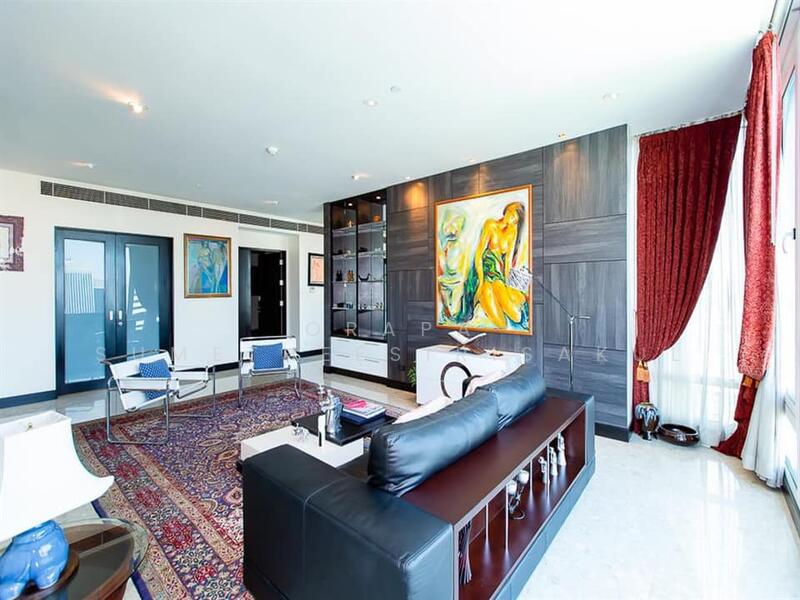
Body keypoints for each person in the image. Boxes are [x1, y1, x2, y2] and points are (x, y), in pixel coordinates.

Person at [459, 202, 528, 329]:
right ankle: (481, 301)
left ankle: (487, 303)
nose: (510, 218)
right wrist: (480, 281)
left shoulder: (512, 232)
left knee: (517, 316)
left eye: (514, 218)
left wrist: (506, 282)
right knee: (501, 323)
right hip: (484, 271)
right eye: (510, 213)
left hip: (498, 275)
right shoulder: (490, 225)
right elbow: (479, 255)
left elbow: (507, 261)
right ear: (506, 210)